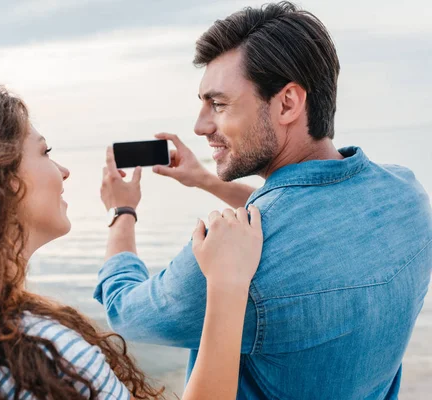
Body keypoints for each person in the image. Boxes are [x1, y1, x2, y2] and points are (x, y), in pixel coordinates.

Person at [0, 75, 263, 400]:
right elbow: (130, 312)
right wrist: (227, 284)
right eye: (45, 153)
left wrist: (190, 187)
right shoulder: (41, 354)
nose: (63, 171)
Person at [95, 2, 432, 399]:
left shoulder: (239, 258)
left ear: (287, 103)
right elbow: (306, 209)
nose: (200, 125)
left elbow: (128, 314)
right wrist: (205, 180)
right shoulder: (407, 194)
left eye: (218, 104)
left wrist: (123, 212)